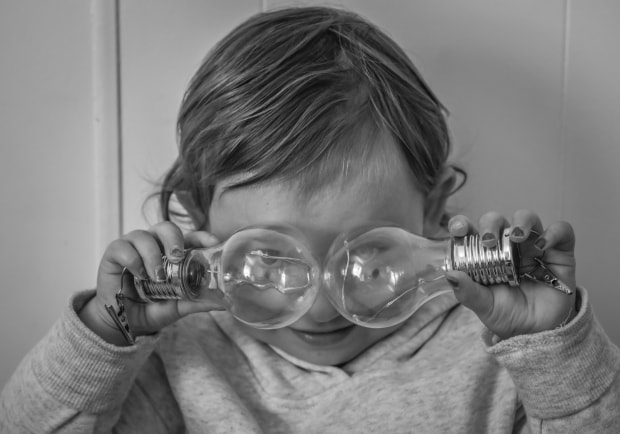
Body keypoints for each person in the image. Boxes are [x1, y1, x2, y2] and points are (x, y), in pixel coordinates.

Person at [1, 6, 618, 433]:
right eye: (271, 260)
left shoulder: (504, 357)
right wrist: (105, 336)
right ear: (199, 218)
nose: (321, 308)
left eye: (368, 257)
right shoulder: (180, 360)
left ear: (431, 212)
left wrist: (554, 350)